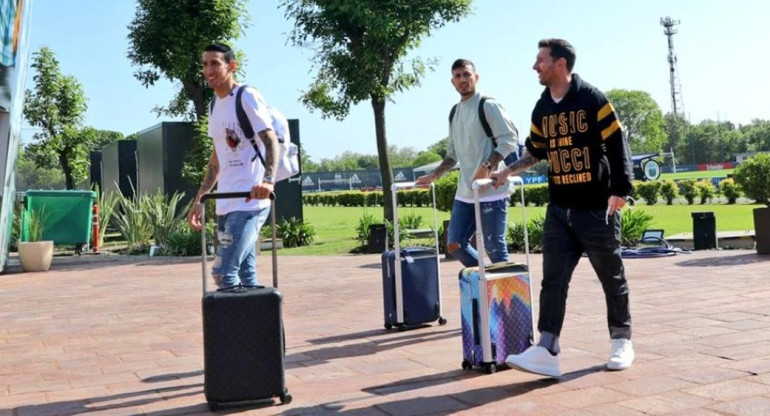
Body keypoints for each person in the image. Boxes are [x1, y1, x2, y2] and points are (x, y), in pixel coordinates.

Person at [490, 39, 635, 378]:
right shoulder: (542, 107)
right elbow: (535, 152)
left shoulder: (592, 99)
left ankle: (621, 340)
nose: (534, 66)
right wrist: (506, 172)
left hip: (596, 209)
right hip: (560, 210)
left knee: (611, 276)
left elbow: (617, 142)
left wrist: (621, 189)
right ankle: (547, 348)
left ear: (560, 64)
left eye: (540, 60)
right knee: (552, 281)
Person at [187, 43, 279, 288]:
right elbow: (216, 159)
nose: (209, 69)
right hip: (226, 203)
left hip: (250, 201)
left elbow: (270, 141)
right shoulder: (214, 105)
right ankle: (261, 326)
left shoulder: (246, 96)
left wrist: (268, 181)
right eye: (205, 64)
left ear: (231, 66)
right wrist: (200, 198)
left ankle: (233, 327)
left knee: (223, 272)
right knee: (246, 277)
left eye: (215, 63)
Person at [416, 58, 519, 267]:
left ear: (476, 77)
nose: (462, 79)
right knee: (455, 245)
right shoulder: (454, 112)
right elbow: (452, 154)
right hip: (465, 192)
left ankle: (504, 298)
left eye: (466, 74)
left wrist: (486, 166)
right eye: (457, 76)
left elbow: (509, 140)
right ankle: (485, 285)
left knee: (495, 249)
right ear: (452, 82)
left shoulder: (488, 105)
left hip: (492, 188)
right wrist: (433, 176)